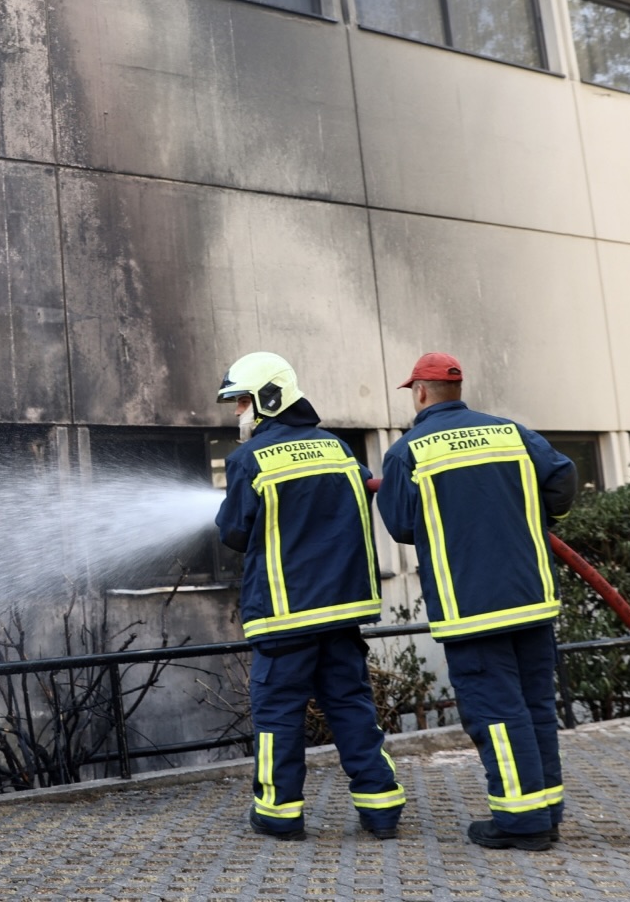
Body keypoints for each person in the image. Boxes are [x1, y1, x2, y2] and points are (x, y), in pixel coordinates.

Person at [376, 353, 576, 851]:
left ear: (420, 392)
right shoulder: (511, 433)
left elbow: (401, 525)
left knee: (496, 712)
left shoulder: (408, 452)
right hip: (531, 598)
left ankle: (521, 820)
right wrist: (530, 512)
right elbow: (563, 479)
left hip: (472, 609)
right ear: (458, 388)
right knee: (533, 707)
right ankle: (545, 810)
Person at [213, 351, 404, 841]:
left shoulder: (248, 459)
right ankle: (382, 809)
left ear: (269, 398)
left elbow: (234, 533)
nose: (238, 413)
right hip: (341, 614)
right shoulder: (338, 449)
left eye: (241, 402)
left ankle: (279, 815)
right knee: (351, 707)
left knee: (279, 715)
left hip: (284, 617)